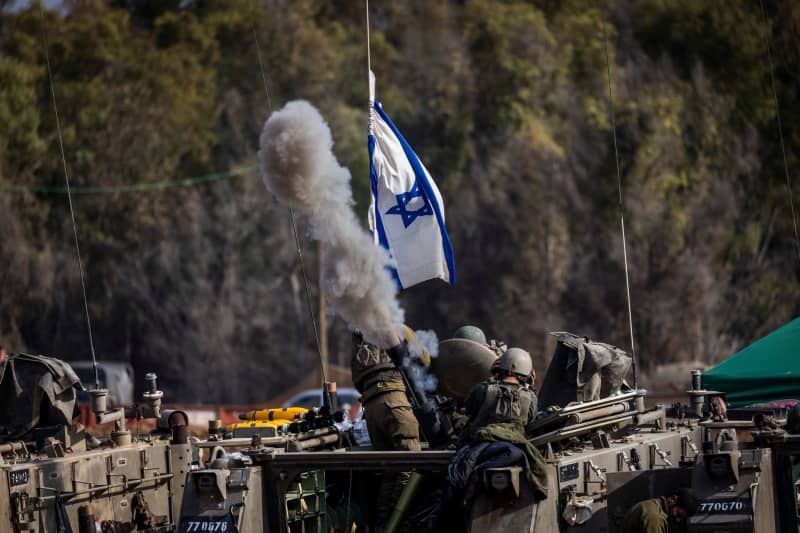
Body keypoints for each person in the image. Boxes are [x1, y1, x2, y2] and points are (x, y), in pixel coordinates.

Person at [444, 348, 549, 524]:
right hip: (508, 447)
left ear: (499, 367)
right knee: (517, 454)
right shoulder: (530, 398)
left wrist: (491, 378)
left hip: (479, 444)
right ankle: (477, 476)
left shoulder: (483, 390)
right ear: (528, 373)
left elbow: (470, 408)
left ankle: (474, 477)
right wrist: (530, 386)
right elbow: (530, 418)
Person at [350, 332, 420, 531]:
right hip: (394, 399)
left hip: (371, 405)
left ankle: (383, 524)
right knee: (411, 463)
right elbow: (419, 359)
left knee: (392, 471)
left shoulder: (360, 336)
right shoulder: (391, 326)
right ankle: (394, 525)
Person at [620, 488, 698, 533]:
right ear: (673, 499)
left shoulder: (655, 504)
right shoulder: (656, 518)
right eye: (678, 514)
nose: (678, 520)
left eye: (681, 518)